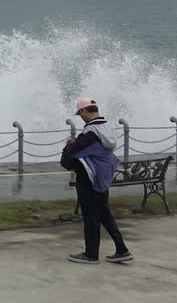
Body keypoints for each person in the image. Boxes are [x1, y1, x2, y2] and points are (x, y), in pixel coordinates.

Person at [61, 97, 133, 264]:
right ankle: (122, 250)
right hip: (104, 177)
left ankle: (91, 254)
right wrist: (77, 143)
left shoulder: (90, 132)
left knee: (91, 217)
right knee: (105, 215)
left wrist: (69, 145)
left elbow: (69, 158)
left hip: (90, 178)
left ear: (84, 111)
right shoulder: (108, 127)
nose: (80, 117)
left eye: (80, 114)